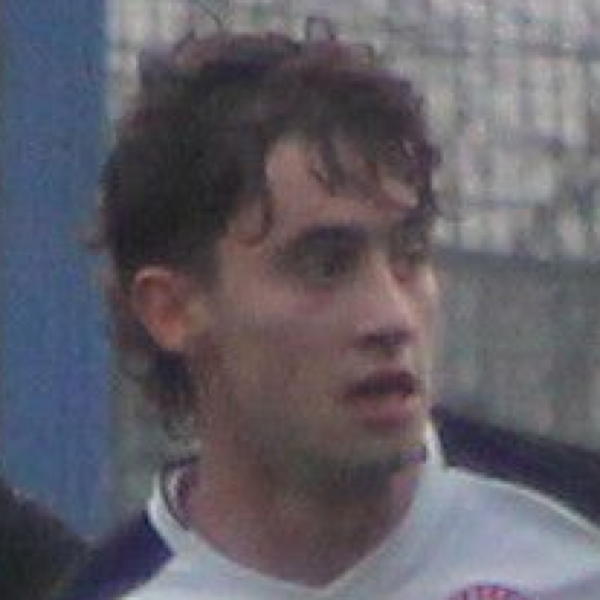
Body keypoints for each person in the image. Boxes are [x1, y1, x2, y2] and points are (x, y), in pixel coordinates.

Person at [58, 23, 600, 600]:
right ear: (173, 310)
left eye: (409, 255)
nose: (391, 318)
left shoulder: (573, 531)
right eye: (325, 265)